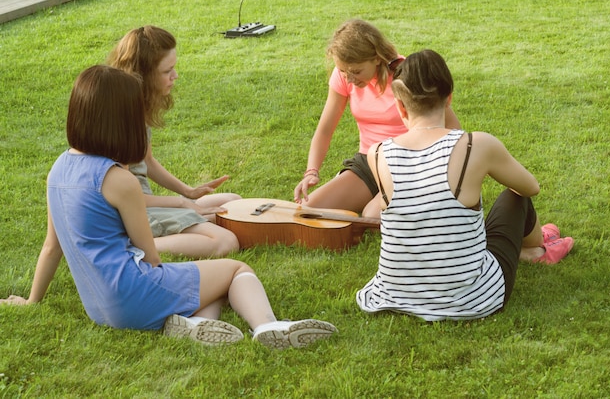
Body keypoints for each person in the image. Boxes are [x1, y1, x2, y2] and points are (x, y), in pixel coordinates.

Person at [0, 65, 337, 349]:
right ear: (120, 123)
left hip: (98, 306)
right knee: (235, 270)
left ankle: (195, 325)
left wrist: (32, 301)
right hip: (134, 293)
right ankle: (267, 327)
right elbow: (151, 257)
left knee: (205, 285)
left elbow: (51, 247)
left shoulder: (57, 169)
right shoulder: (119, 179)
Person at [356, 50, 574, 321]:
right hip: (470, 299)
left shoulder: (377, 153)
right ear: (449, 99)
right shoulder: (476, 145)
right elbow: (530, 187)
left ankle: (531, 248)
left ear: (400, 106)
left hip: (395, 293)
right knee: (515, 196)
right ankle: (537, 249)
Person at [293, 19, 461, 218]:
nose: (349, 79)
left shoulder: (406, 74)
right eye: (343, 71)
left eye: (356, 71)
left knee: (371, 216)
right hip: (368, 161)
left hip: (406, 161)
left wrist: (435, 172)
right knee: (308, 210)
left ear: (377, 58)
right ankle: (372, 192)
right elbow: (324, 129)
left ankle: (386, 197)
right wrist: (311, 171)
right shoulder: (344, 75)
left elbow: (452, 126)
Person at [106, 25, 240, 258]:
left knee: (233, 202)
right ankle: (136, 245)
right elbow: (122, 197)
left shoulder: (139, 106)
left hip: (146, 201)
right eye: (167, 71)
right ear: (144, 75)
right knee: (226, 240)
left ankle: (173, 228)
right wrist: (180, 205)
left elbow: (146, 161)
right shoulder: (122, 118)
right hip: (134, 210)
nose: (175, 76)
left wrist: (188, 192)